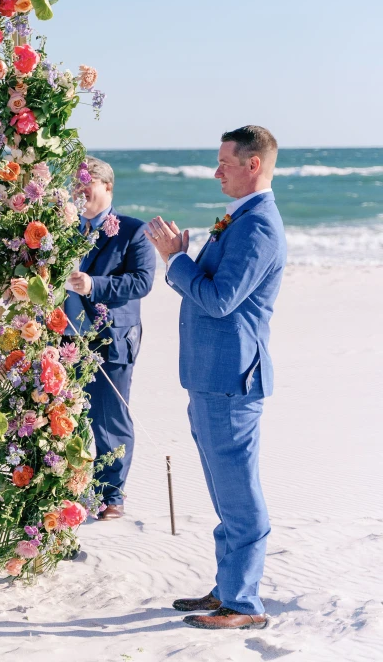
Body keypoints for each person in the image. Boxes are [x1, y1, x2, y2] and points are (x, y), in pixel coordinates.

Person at [145, 125, 285, 630]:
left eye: (225, 161)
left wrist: (176, 260)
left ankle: (244, 604)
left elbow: (220, 299)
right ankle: (229, 588)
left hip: (232, 379)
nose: (216, 170)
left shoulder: (259, 225)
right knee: (223, 489)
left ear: (253, 165)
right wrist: (186, 256)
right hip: (209, 376)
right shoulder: (240, 219)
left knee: (239, 492)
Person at [63, 156, 156, 521]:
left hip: (112, 338)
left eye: (88, 182)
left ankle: (111, 497)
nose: (80, 190)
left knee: (109, 419)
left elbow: (141, 282)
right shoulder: (65, 231)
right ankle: (67, 489)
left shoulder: (133, 230)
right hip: (65, 340)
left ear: (108, 186)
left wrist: (94, 285)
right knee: (64, 416)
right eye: (76, 183)